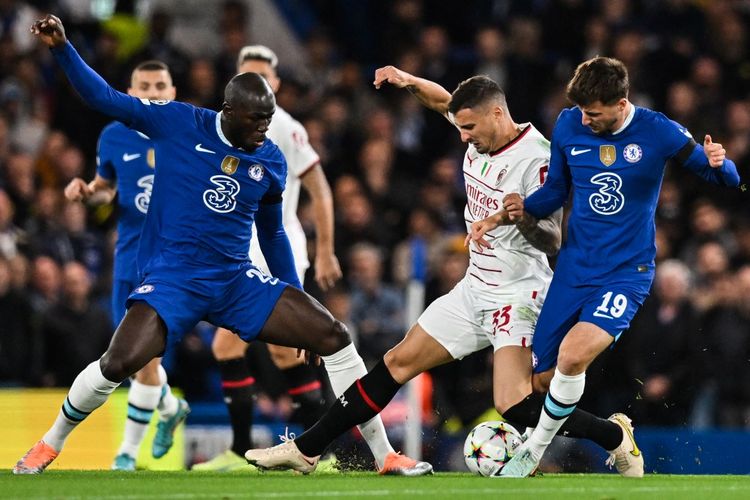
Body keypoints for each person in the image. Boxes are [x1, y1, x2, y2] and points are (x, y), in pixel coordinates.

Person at [15, 14, 430, 477]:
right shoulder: (177, 122)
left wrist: (295, 293)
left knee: (334, 335)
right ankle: (49, 444)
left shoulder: (269, 157)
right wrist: (62, 48)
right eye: (256, 121)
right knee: (118, 362)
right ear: (228, 112)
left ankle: (384, 454)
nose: (263, 131)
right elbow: (102, 97)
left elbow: (272, 233)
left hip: (235, 279)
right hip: (174, 278)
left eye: (268, 121)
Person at [245, 66, 637, 476]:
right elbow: (440, 101)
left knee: (515, 406)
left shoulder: (536, 157)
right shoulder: (475, 127)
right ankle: (307, 449)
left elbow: (553, 240)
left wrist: (520, 217)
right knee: (397, 361)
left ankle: (613, 437)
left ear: (497, 115)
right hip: (473, 288)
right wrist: (410, 81)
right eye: (460, 127)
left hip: (518, 294)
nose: (463, 136)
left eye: (469, 128)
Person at [467, 56, 741, 477]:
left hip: (626, 273)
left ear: (620, 102)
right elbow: (554, 191)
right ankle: (616, 435)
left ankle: (531, 454)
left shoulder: (658, 130)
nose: (585, 119)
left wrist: (724, 164)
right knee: (540, 383)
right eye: (580, 111)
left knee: (572, 357)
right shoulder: (568, 124)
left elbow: (722, 177)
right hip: (574, 269)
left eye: (593, 113)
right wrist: (514, 211)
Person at [193, 45, 342, 472]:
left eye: (264, 76)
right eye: (248, 75)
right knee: (272, 353)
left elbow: (320, 188)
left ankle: (265, 451)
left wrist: (326, 248)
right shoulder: (222, 127)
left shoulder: (287, 129)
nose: (258, 83)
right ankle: (315, 453)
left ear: (276, 83)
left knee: (242, 346)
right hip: (242, 250)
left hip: (277, 248)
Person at [62, 59, 190, 471]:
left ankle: (126, 455)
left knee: (142, 358)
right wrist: (87, 193)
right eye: (145, 85)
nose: (153, 92)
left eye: (161, 84)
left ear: (173, 91)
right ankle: (169, 409)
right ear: (132, 92)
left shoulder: (190, 134)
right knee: (130, 360)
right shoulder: (114, 136)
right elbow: (107, 190)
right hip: (129, 258)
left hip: (171, 263)